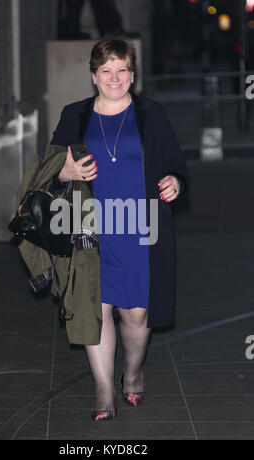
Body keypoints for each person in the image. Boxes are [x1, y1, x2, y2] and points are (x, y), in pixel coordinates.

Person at [50, 37, 187, 421]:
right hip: (87, 227)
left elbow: (175, 162)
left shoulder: (152, 115)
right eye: (106, 70)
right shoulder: (74, 116)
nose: (114, 77)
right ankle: (103, 388)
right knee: (96, 310)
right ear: (94, 75)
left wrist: (175, 181)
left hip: (141, 228)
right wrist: (66, 170)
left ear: (132, 74)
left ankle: (132, 372)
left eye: (122, 69)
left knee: (135, 315)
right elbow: (48, 169)